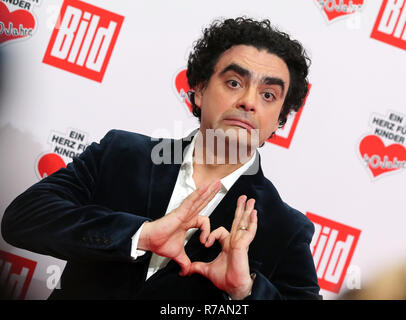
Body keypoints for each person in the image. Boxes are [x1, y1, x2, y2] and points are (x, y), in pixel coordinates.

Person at [1, 17, 321, 300]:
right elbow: (22, 218)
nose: (249, 102)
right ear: (198, 90)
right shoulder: (121, 154)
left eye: (268, 95)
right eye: (234, 83)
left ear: (280, 118)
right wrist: (139, 236)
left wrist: (246, 291)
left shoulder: (285, 228)